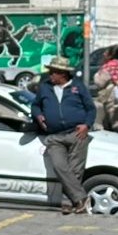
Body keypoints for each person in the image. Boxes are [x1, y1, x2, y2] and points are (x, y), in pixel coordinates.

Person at [31, 54, 97, 214]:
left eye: (53, 72)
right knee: (60, 166)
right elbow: (35, 106)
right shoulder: (45, 87)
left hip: (76, 133)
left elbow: (91, 108)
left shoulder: (77, 87)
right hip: (54, 136)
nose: (50, 75)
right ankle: (81, 198)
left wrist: (86, 125)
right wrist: (38, 115)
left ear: (63, 74)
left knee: (75, 170)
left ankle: (71, 203)